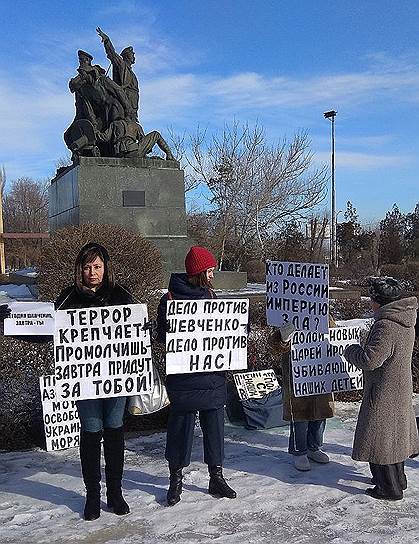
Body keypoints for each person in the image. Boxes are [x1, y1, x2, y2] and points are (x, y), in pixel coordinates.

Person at [56, 242, 134, 520]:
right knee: (91, 434)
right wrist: (14, 325)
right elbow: (52, 334)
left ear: (106, 267)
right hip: (85, 383)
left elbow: (137, 332)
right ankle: (92, 494)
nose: (92, 272)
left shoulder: (121, 295)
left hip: (116, 380)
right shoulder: (68, 298)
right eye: (87, 267)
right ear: (80, 269)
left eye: (97, 266)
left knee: (114, 432)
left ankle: (115, 492)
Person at [156, 246, 236, 506]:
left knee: (215, 428)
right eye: (210, 270)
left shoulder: (212, 297)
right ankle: (175, 480)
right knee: (180, 430)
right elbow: (162, 337)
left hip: (212, 375)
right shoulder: (169, 300)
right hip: (184, 377)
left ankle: (217, 476)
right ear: (199, 273)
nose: (213, 275)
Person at [344, 277, 419, 500]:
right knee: (395, 436)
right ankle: (399, 480)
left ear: (379, 301)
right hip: (400, 385)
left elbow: (370, 360)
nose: (370, 302)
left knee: (379, 437)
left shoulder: (385, 325)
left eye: (372, 298)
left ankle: (388, 488)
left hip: (384, 389)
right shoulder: (405, 319)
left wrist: (351, 350)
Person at [269, 319, 335, 471]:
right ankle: (299, 451)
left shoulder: (322, 311)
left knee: (320, 413)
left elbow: (333, 333)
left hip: (320, 368)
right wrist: (284, 337)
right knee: (299, 415)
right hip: (297, 372)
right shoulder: (286, 312)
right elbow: (275, 343)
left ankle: (314, 447)